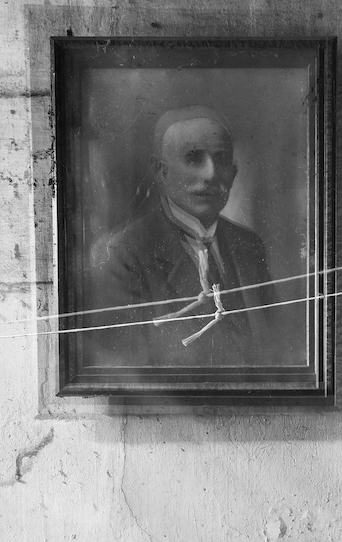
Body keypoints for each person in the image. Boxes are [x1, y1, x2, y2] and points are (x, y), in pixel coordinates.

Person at [83, 105, 296, 367]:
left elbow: (278, 347)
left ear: (233, 173)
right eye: (194, 159)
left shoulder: (249, 246)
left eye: (221, 159)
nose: (211, 174)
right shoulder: (121, 254)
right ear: (161, 170)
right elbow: (125, 368)